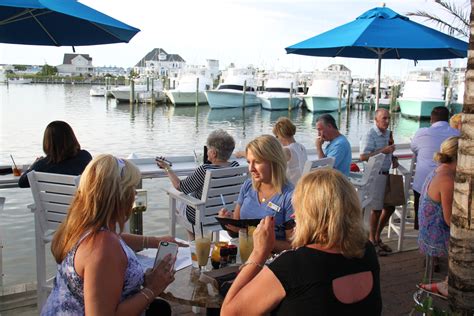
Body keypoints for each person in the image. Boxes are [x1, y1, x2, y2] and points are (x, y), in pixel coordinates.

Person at [221, 169, 382, 315]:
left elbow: (230, 313)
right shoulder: (366, 250)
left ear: (310, 215)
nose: (293, 216)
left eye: (299, 209)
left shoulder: (294, 265)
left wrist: (259, 253)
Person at [41, 154, 186, 315]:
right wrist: (152, 289)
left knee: (160, 309)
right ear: (119, 196)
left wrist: (153, 242)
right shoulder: (103, 247)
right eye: (132, 188)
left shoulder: (82, 226)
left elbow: (117, 241)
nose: (134, 194)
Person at [219, 135, 294, 253]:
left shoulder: (289, 197)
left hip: (271, 261)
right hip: (244, 254)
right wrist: (227, 221)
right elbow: (235, 232)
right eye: (249, 162)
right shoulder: (248, 186)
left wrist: (258, 238)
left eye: (257, 162)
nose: (251, 168)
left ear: (274, 162)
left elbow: (293, 246)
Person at [156, 129, 239, 231]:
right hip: (225, 214)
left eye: (208, 149)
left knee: (178, 200)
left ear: (213, 153)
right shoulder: (236, 166)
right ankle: (194, 239)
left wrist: (166, 168)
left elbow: (180, 186)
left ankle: (192, 239)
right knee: (191, 196)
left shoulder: (205, 169)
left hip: (201, 216)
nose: (207, 151)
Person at [418, 137, 459, 298]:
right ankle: (448, 284)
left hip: (426, 233)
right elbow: (450, 221)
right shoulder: (447, 180)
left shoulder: (439, 170)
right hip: (435, 238)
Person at [410, 107, 460, 230]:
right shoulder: (457, 135)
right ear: (448, 118)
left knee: (423, 225)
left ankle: (421, 233)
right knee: (448, 220)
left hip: (423, 186)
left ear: (431, 119)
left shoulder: (422, 133)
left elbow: (414, 148)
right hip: (450, 185)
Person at [360, 108, 399, 255]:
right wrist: (384, 150)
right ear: (376, 120)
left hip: (386, 173)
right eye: (384, 118)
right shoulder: (370, 134)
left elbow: (390, 152)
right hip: (375, 175)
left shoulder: (389, 133)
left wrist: (393, 158)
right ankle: (372, 242)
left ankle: (377, 237)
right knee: (376, 210)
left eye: (388, 118)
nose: (387, 121)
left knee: (390, 207)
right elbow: (363, 156)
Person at [19, 121, 92, 188]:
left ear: (47, 142)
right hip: (79, 202)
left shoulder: (41, 165)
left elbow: (22, 183)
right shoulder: (85, 156)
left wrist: (32, 166)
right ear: (72, 138)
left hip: (50, 202)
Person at [272, 117, 307, 185]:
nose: (277, 139)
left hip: (291, 189)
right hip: (302, 186)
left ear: (281, 134)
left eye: (277, 136)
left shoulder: (287, 151)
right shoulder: (302, 147)